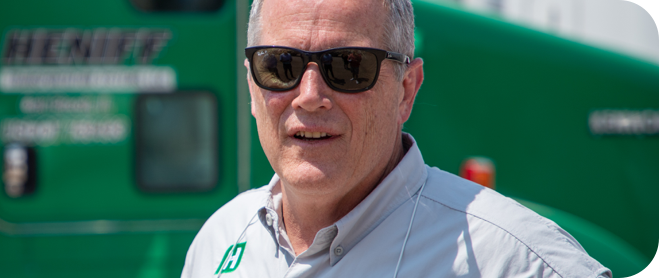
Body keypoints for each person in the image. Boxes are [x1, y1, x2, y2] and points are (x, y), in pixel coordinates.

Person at [180, 0, 611, 277]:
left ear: (407, 89)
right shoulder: (219, 238)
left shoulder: (517, 263)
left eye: (349, 66)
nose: (310, 97)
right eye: (281, 65)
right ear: (253, 89)